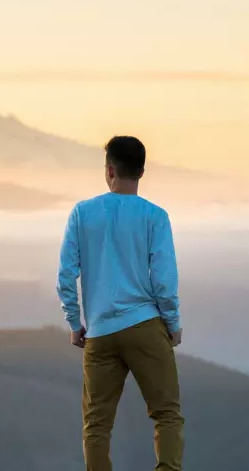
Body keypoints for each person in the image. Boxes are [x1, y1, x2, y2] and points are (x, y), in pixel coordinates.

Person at [57, 135, 184, 471]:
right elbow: (164, 281)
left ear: (109, 170)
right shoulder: (155, 216)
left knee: (97, 425)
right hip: (145, 325)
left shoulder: (83, 213)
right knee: (166, 415)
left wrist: (74, 323)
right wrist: (172, 324)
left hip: (99, 331)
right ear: (141, 172)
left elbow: (65, 276)